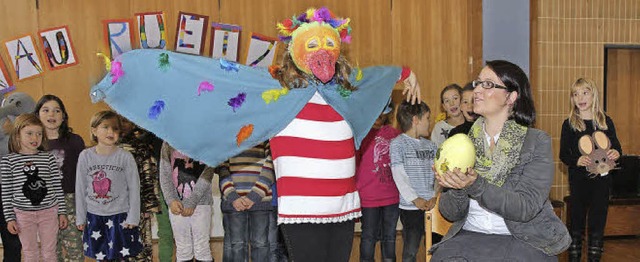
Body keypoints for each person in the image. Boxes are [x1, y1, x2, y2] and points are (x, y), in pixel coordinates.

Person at [89, 7, 421, 261]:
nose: (322, 50)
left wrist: (407, 73)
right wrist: (129, 72)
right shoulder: (275, 91)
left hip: (344, 208)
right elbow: (211, 77)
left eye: (328, 43)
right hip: (302, 210)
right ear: (295, 50)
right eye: (313, 43)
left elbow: (376, 77)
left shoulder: (346, 90)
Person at [430, 60, 570, 261]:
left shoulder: (536, 142)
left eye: (487, 84)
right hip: (470, 235)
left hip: (523, 237)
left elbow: (525, 207)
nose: (476, 89)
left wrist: (476, 184)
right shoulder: (462, 143)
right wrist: (457, 186)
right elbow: (450, 212)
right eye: (477, 83)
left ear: (511, 96)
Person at [560, 78, 621, 262]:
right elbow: (564, 154)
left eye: (585, 93)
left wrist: (615, 153)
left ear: (593, 95)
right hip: (579, 182)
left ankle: (594, 257)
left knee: (597, 224)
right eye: (576, 94)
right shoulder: (569, 123)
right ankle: (574, 257)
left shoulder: (605, 121)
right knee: (576, 223)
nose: (580, 97)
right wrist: (577, 160)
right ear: (572, 99)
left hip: (602, 183)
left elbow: (618, 149)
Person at [75, 111, 142, 261]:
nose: (111, 132)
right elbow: (80, 188)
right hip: (95, 216)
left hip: (120, 217)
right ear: (94, 130)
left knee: (120, 256)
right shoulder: (85, 156)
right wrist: (80, 217)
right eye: (105, 127)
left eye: (115, 128)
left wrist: (133, 217)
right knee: (101, 256)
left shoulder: (125, 157)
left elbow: (134, 189)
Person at [1, 114, 67, 262]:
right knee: (30, 252)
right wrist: (9, 218)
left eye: (38, 133)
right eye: (29, 133)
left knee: (49, 252)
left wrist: (62, 212)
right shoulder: (8, 161)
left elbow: (57, 186)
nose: (35, 138)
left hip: (49, 212)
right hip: (23, 215)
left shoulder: (48, 158)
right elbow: (6, 192)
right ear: (17, 135)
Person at [34, 94, 86, 262]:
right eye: (46, 110)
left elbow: (83, 174)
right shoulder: (32, 144)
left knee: (75, 250)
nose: (51, 115)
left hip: (71, 201)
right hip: (44, 204)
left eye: (57, 111)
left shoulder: (75, 141)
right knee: (51, 251)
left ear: (63, 116)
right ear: (37, 115)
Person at [390, 101, 438, 262]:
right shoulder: (398, 144)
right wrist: (415, 199)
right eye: (427, 118)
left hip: (432, 206)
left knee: (435, 247)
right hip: (410, 208)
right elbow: (399, 175)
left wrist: (435, 197)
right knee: (411, 250)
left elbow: (439, 174)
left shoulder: (432, 146)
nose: (429, 122)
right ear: (415, 120)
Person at [355, 101, 401, 262]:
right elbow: (355, 163)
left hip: (392, 197)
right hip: (368, 198)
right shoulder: (360, 134)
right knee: (368, 236)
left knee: (389, 237)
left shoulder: (395, 134)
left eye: (382, 111)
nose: (378, 115)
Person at [217, 141, 274, 262]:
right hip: (234, 202)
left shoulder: (265, 134)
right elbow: (222, 168)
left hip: (260, 199)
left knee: (261, 244)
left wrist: (255, 195)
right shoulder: (227, 135)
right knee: (237, 245)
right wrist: (233, 196)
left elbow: (272, 164)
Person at [159, 141, 215, 262]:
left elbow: (208, 173)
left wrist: (192, 201)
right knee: (183, 248)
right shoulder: (168, 142)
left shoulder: (207, 139)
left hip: (201, 203)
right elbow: (164, 174)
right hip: (176, 205)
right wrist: (171, 200)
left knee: (202, 248)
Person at [120, 117, 161, 261]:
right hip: (115, 209)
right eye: (119, 121)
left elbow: (149, 176)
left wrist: (149, 206)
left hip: (139, 207)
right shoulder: (109, 148)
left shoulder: (141, 147)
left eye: (126, 120)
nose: (123, 124)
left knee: (141, 249)